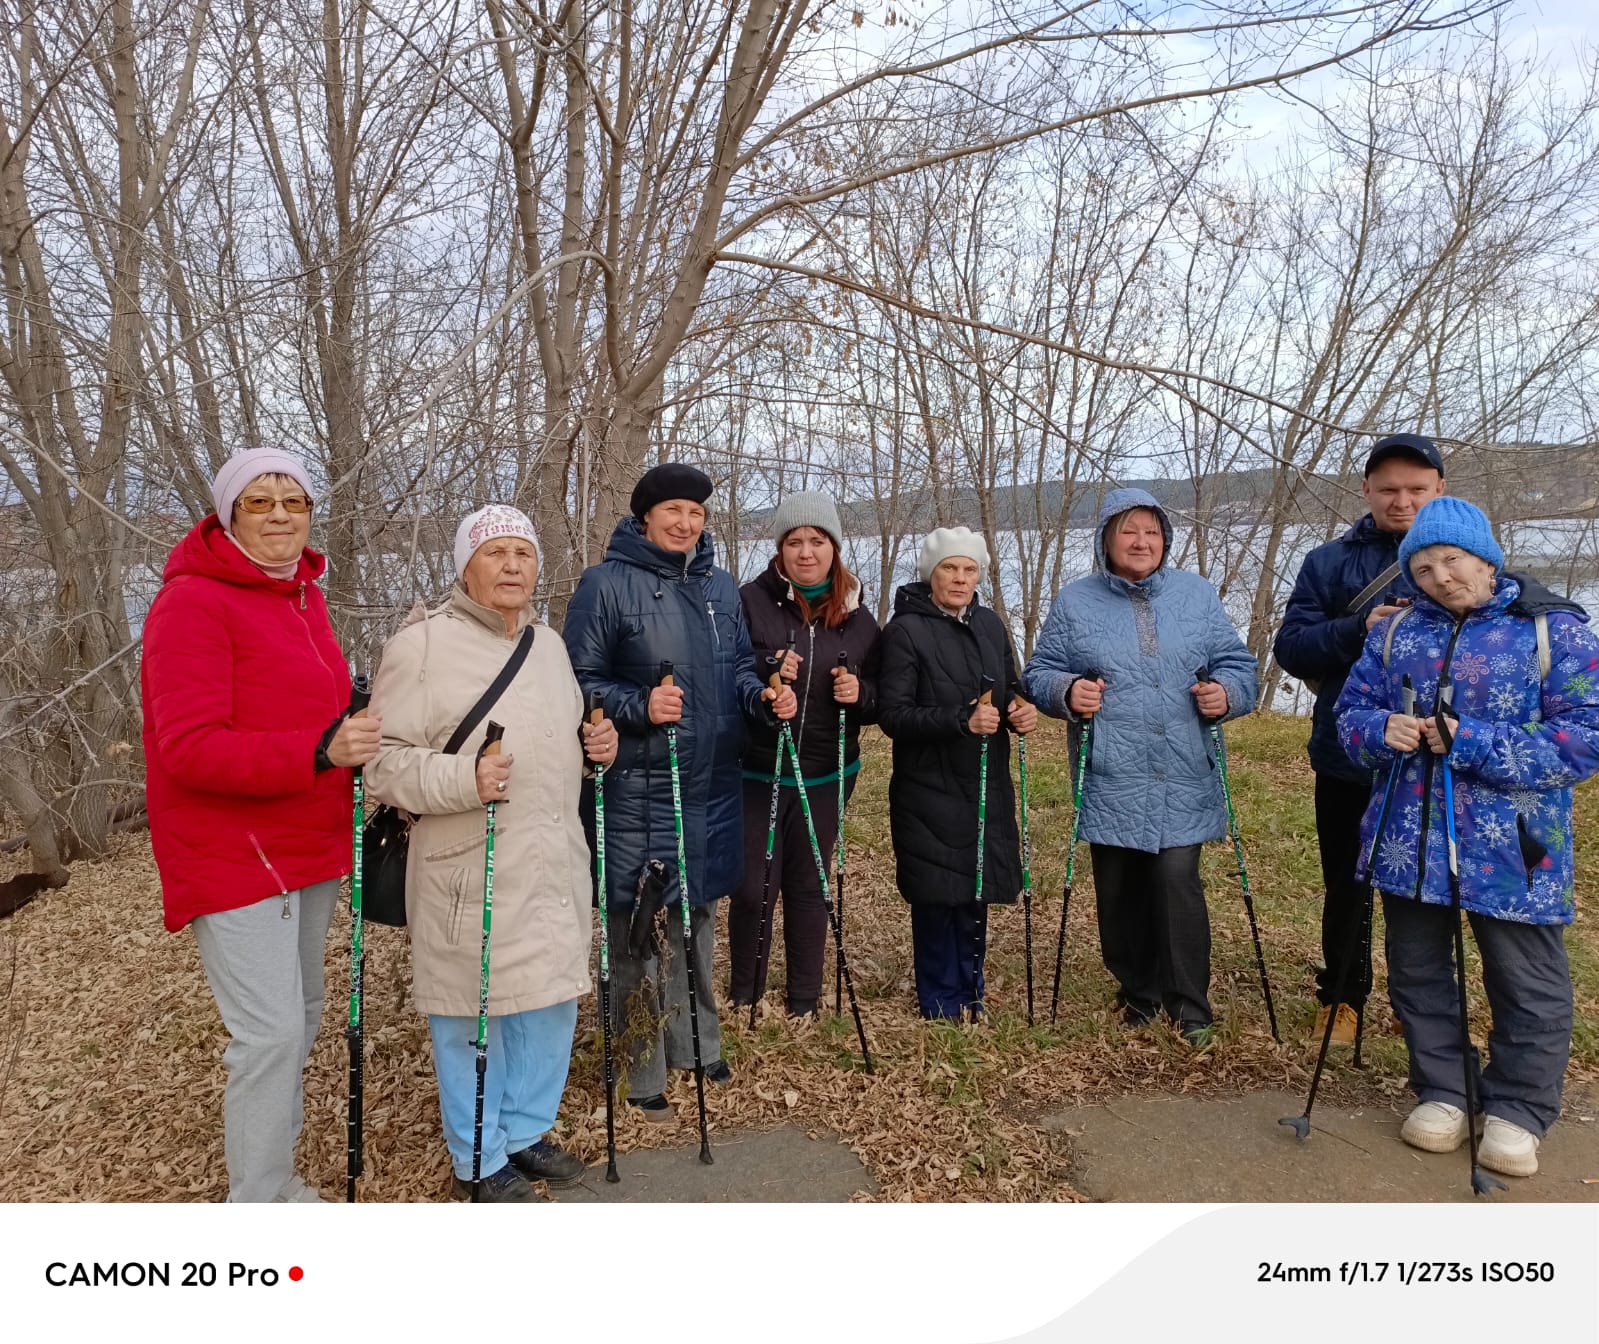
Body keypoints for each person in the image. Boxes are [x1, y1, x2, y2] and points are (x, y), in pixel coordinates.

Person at [142, 447, 381, 1202]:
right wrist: (320, 749)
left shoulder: (301, 596)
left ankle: (275, 1181)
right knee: (270, 1033)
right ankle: (259, 1203)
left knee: (299, 1020)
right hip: (232, 853)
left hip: (305, 843)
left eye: (294, 501)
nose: (281, 514)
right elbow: (188, 747)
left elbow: (316, 713)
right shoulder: (193, 602)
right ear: (228, 514)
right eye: (260, 502)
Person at [1335, 497, 1599, 1179]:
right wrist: (1375, 731)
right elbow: (1350, 713)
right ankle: (1446, 1089)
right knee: (1418, 967)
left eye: (1450, 561)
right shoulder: (1395, 635)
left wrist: (1471, 741)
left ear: (1484, 559)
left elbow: (1584, 738)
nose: (1438, 578)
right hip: (1408, 833)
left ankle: (1518, 1107)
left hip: (1519, 841)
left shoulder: (1552, 631)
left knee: (1526, 976)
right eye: (1421, 568)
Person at [364, 505, 617, 1202]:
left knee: (547, 1005)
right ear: (464, 566)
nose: (511, 566)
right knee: (473, 1017)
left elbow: (557, 740)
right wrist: (462, 778)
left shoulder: (548, 645)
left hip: (549, 860)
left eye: (523, 554)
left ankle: (526, 1132)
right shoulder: (420, 647)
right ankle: (477, 1157)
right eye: (495, 552)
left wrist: (599, 751)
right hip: (465, 868)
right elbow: (379, 766)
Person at [563, 464, 794, 1119]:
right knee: (637, 934)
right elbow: (576, 682)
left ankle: (694, 1045)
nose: (685, 522)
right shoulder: (604, 585)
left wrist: (763, 698)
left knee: (694, 925)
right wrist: (638, 704)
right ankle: (640, 1070)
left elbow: (735, 675)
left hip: (708, 791)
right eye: (672, 510)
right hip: (636, 792)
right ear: (645, 518)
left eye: (695, 512)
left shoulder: (720, 587)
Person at [1024, 488, 1257, 1046]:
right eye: (1128, 530)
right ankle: (1138, 992)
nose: (1141, 541)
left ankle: (1190, 1004)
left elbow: (1237, 663)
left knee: (1178, 880)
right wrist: (1067, 691)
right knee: (1121, 888)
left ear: (1165, 540)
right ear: (1106, 539)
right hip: (1111, 768)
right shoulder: (1075, 602)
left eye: (1151, 531)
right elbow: (1040, 672)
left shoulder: (1196, 595)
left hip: (1183, 765)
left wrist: (1227, 693)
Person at [1273, 433, 1446, 1045]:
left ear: (1438, 492)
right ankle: (1343, 998)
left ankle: (1419, 1000)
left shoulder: (1464, 559)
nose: (1402, 502)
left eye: (1416, 490)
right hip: (1348, 751)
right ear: (1367, 491)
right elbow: (1291, 647)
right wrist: (1357, 627)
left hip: (1435, 758)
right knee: (1346, 880)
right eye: (1389, 489)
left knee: (1426, 882)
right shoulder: (1328, 562)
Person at [730, 491, 882, 1017]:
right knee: (753, 887)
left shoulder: (859, 618)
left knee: (809, 884)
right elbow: (735, 669)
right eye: (794, 541)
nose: (806, 551)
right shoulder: (749, 601)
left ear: (834, 547)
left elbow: (883, 696)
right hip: (759, 769)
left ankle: (803, 1000)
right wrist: (769, 671)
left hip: (827, 772)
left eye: (817, 541)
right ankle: (744, 993)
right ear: (780, 548)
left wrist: (859, 694)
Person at [878, 526, 1036, 1020]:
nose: (960, 578)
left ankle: (972, 991)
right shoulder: (904, 631)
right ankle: (939, 1000)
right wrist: (960, 721)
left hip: (985, 779)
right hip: (929, 783)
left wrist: (1020, 709)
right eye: (950, 568)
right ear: (931, 574)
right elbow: (893, 715)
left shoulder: (989, 624)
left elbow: (1008, 685)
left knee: (975, 888)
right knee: (936, 893)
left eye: (970, 570)